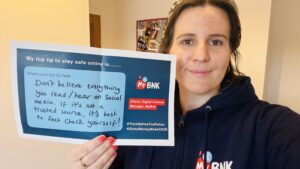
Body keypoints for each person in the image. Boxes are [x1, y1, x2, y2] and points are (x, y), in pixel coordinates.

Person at [68, 0, 300, 168]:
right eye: (187, 41)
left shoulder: (272, 127)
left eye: (216, 41)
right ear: (168, 49)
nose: (201, 55)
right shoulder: (129, 123)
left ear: (231, 50)